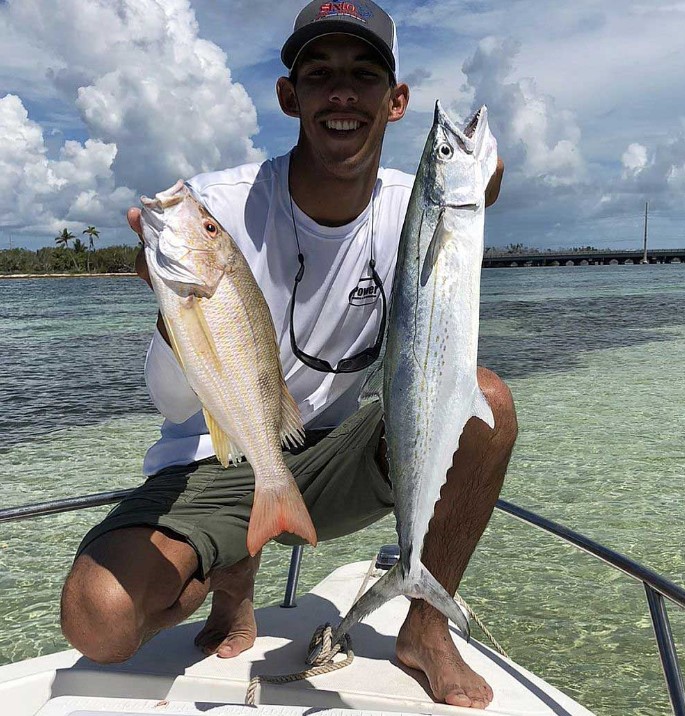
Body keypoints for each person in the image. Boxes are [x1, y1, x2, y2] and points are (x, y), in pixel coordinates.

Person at [60, 0, 515, 709]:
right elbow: (173, 404)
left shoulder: (413, 207)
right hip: (215, 458)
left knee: (487, 401)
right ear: (288, 95)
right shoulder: (215, 209)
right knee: (98, 619)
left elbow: (471, 201)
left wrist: (477, 183)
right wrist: (175, 313)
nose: (342, 93)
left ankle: (426, 624)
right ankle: (231, 575)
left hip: (335, 452)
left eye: (364, 75)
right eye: (319, 73)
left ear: (395, 102)